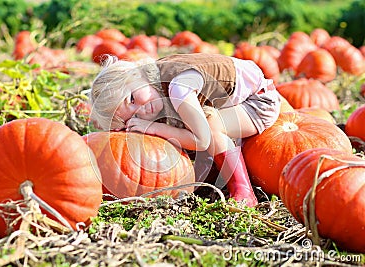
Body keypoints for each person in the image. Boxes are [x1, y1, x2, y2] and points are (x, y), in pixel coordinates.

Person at [90, 53, 281, 207]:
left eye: (131, 99)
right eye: (132, 118)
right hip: (226, 102)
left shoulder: (178, 88)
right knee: (185, 128)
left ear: (136, 75)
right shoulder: (153, 84)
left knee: (212, 125)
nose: (140, 111)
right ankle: (216, 166)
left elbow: (202, 139)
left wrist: (155, 128)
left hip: (258, 101)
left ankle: (243, 191)